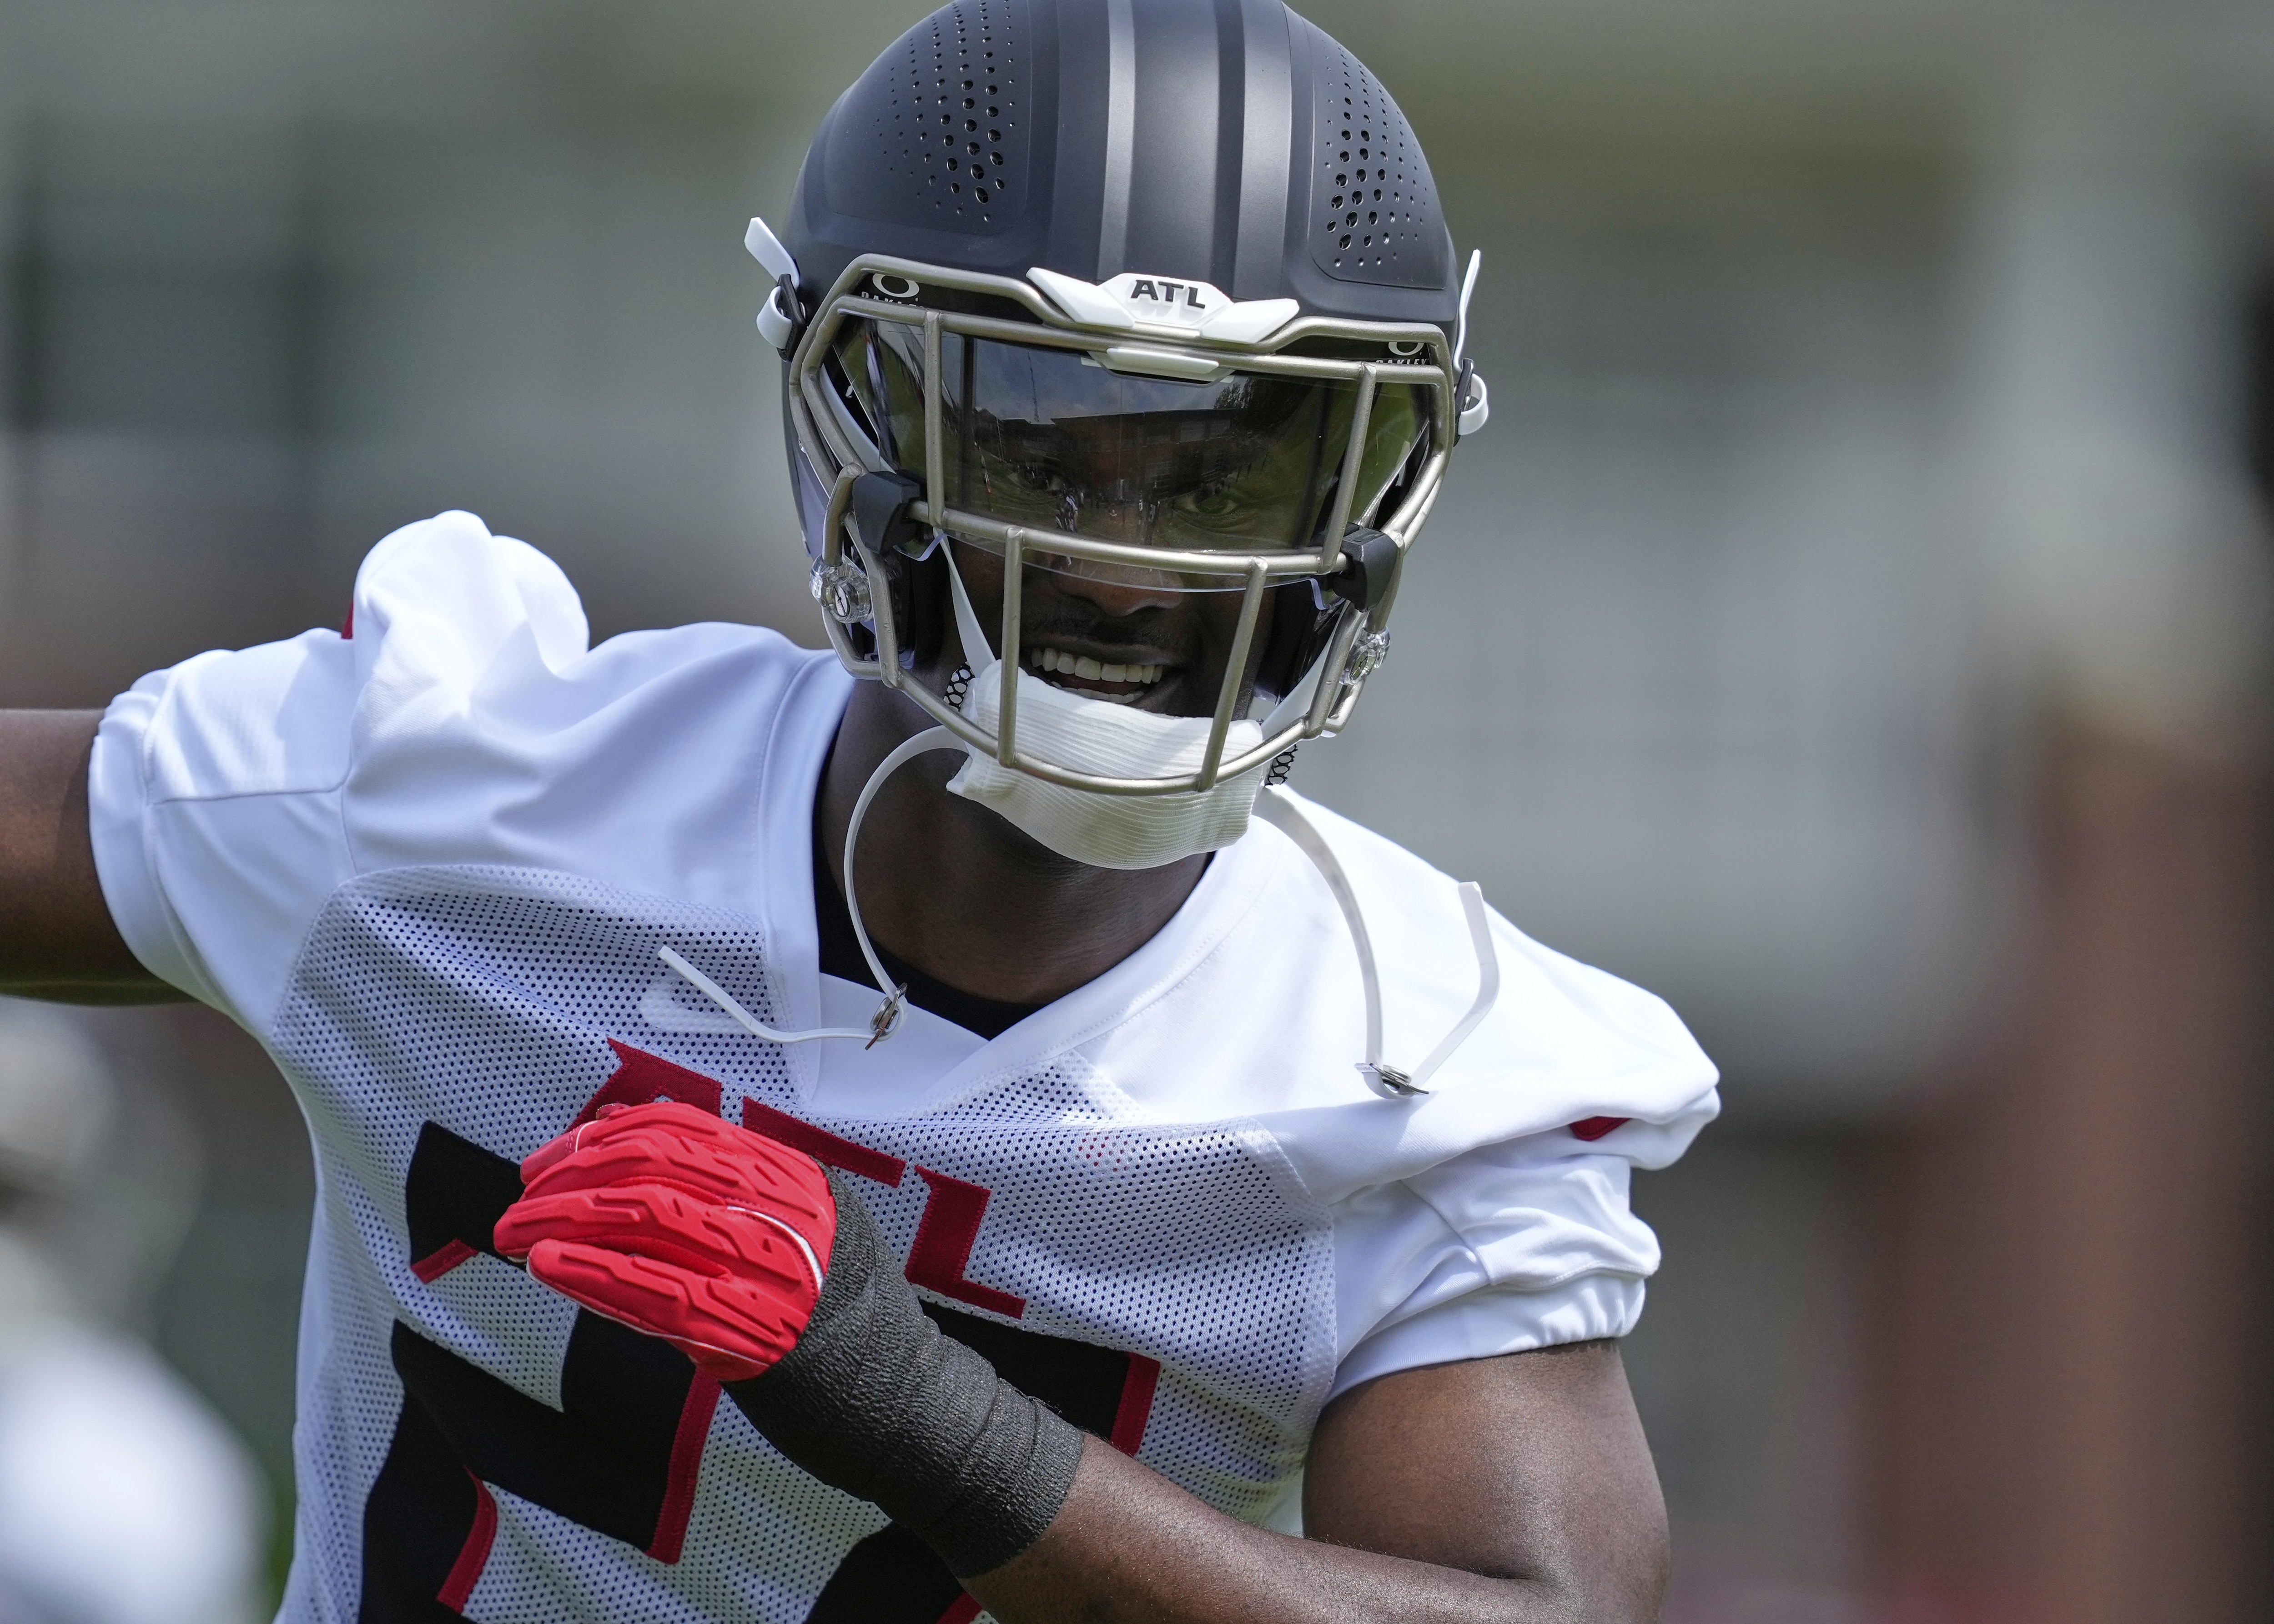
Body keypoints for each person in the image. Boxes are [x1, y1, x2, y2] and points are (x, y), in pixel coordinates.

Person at [0, 1, 1718, 1619]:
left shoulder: (1418, 1063)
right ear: (854, 419)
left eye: (1226, 467)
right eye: (1044, 440)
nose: (1128, 568)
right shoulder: (468, 790)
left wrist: (920, 1418)